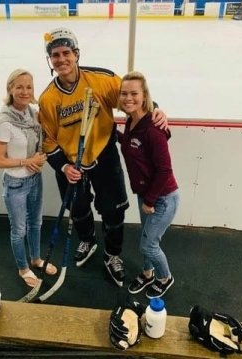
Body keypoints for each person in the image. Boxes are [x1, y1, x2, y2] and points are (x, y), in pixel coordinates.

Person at [38, 27, 167, 288]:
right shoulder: (48, 99)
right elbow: (49, 140)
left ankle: (112, 255)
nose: (61, 59)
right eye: (55, 55)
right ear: (50, 60)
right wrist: (63, 166)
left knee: (113, 210)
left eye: (66, 53)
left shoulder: (101, 80)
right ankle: (88, 240)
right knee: (79, 209)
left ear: (76, 54)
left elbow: (132, 98)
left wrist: (156, 109)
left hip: (104, 155)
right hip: (71, 165)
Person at [0, 69, 57, 288]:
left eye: (28, 86)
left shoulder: (33, 114)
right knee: (18, 230)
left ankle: (36, 259)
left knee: (36, 223)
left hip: (34, 179)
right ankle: (23, 268)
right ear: (10, 89)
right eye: (19, 86)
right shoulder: (5, 122)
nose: (24, 91)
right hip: (15, 184)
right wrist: (26, 161)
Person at [118, 71, 179, 298]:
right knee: (146, 237)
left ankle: (165, 277)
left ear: (144, 96)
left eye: (134, 93)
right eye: (124, 93)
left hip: (162, 198)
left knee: (148, 245)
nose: (128, 98)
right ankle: (147, 273)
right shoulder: (131, 121)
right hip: (145, 195)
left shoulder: (153, 129)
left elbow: (165, 171)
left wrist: (151, 201)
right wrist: (114, 136)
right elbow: (132, 145)